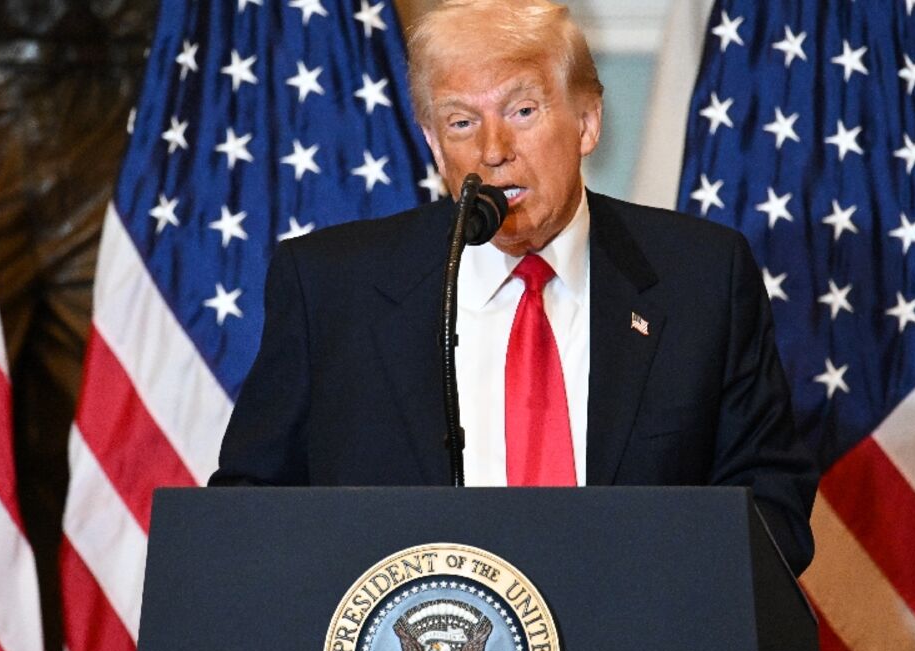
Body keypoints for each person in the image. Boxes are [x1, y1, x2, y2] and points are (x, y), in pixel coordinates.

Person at [210, 0, 818, 575]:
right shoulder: (330, 288)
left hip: (640, 640)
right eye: (461, 122)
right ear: (433, 144)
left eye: (522, 111)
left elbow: (771, 506)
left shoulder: (701, 278)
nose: (493, 151)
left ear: (587, 122)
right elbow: (248, 508)